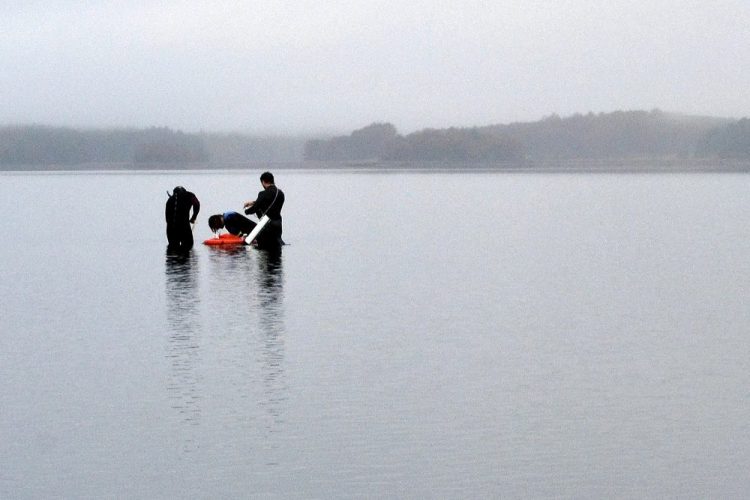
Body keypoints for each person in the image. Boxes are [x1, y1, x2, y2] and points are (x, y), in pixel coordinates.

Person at [243, 171, 285, 251]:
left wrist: (246, 211)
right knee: (277, 248)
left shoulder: (263, 193)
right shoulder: (280, 193)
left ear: (263, 181)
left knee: (265, 249)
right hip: (278, 224)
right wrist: (253, 202)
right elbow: (271, 203)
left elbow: (254, 208)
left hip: (267, 225)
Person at [165, 186, 200, 251]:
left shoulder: (170, 200)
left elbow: (167, 218)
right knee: (188, 247)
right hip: (184, 227)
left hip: (170, 229)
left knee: (173, 249)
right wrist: (194, 217)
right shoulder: (189, 195)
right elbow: (197, 204)